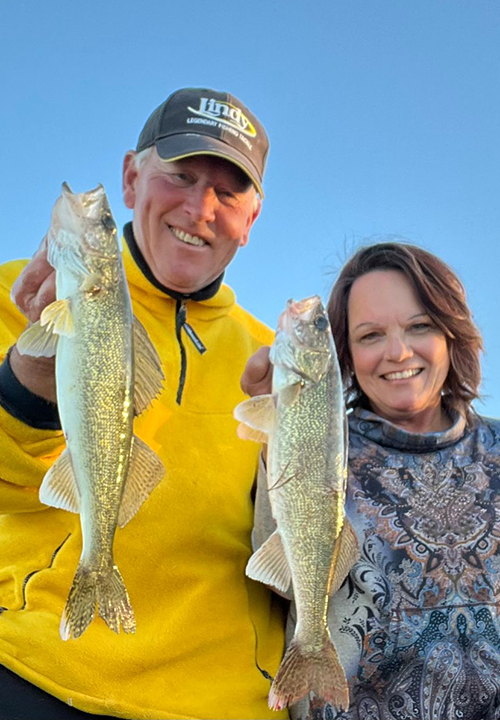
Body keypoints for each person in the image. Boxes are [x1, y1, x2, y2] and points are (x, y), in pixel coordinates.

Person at [0, 88, 288, 720]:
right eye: (180, 176)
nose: (199, 208)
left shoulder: (278, 360)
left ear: (253, 218)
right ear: (131, 178)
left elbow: (294, 557)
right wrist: (32, 370)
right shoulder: (15, 291)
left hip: (222, 701)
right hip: (38, 666)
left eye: (228, 192)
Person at [243, 242, 500, 720]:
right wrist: (278, 432)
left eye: (419, 326)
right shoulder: (323, 443)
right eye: (370, 335)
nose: (398, 352)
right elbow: (283, 584)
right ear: (345, 353)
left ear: (451, 333)